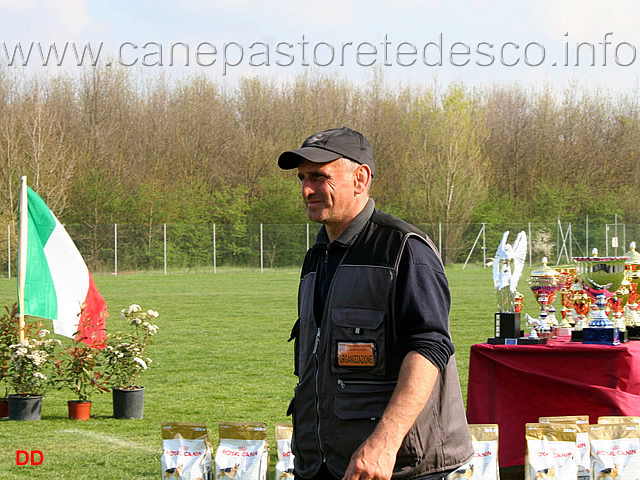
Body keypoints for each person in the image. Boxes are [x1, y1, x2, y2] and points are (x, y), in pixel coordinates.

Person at [278, 126, 473, 480]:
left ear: (360, 178)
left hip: (397, 466)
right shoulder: (316, 256)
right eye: (303, 178)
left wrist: (384, 442)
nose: (307, 190)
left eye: (319, 177)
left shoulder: (403, 249)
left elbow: (429, 347)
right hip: (327, 465)